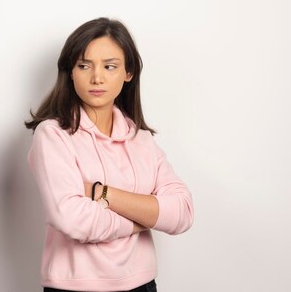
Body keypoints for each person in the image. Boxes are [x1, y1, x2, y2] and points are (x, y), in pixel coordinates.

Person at [25, 18, 193, 292]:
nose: (97, 77)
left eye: (110, 66)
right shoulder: (53, 134)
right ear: (70, 71)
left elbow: (182, 211)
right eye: (84, 65)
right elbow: (72, 219)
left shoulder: (140, 138)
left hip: (142, 285)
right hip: (75, 288)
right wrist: (146, 217)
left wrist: (102, 194)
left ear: (128, 73)